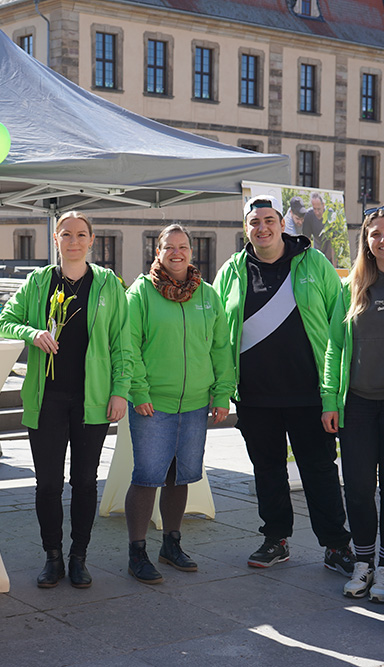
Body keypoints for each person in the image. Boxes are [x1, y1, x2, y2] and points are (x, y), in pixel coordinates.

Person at [214, 195, 356, 574]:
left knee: (320, 470)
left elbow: (339, 322)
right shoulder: (232, 269)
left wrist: (333, 390)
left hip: (309, 392)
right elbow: (216, 330)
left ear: (282, 223)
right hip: (255, 395)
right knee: (267, 469)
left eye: (269, 220)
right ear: (246, 228)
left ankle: (337, 545)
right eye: (254, 222)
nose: (262, 227)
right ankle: (275, 539)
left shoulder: (313, 262)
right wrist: (220, 388)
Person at [0, 211, 130, 589]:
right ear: (55, 239)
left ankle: (79, 557)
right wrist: (32, 332)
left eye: (81, 235)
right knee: (48, 484)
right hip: (48, 399)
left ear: (91, 240)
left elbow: (123, 342)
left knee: (85, 482)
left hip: (93, 399)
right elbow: (4, 322)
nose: (73, 241)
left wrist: (121, 390)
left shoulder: (108, 285)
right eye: (66, 234)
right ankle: (52, 556)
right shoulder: (38, 281)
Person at [123, 224, 236, 584]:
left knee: (181, 474)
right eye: (169, 247)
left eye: (183, 246)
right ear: (157, 252)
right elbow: (130, 347)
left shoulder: (207, 294)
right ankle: (137, 552)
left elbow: (221, 347)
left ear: (191, 251)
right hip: (153, 404)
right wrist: (138, 392)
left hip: (195, 403)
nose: (177, 252)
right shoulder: (140, 293)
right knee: (146, 477)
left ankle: (171, 544)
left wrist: (221, 393)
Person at [321, 202, 384, 603]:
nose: (383, 239)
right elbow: (333, 347)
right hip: (356, 404)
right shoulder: (352, 286)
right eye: (375, 234)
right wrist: (329, 398)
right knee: (358, 488)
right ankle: (363, 562)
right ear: (366, 241)